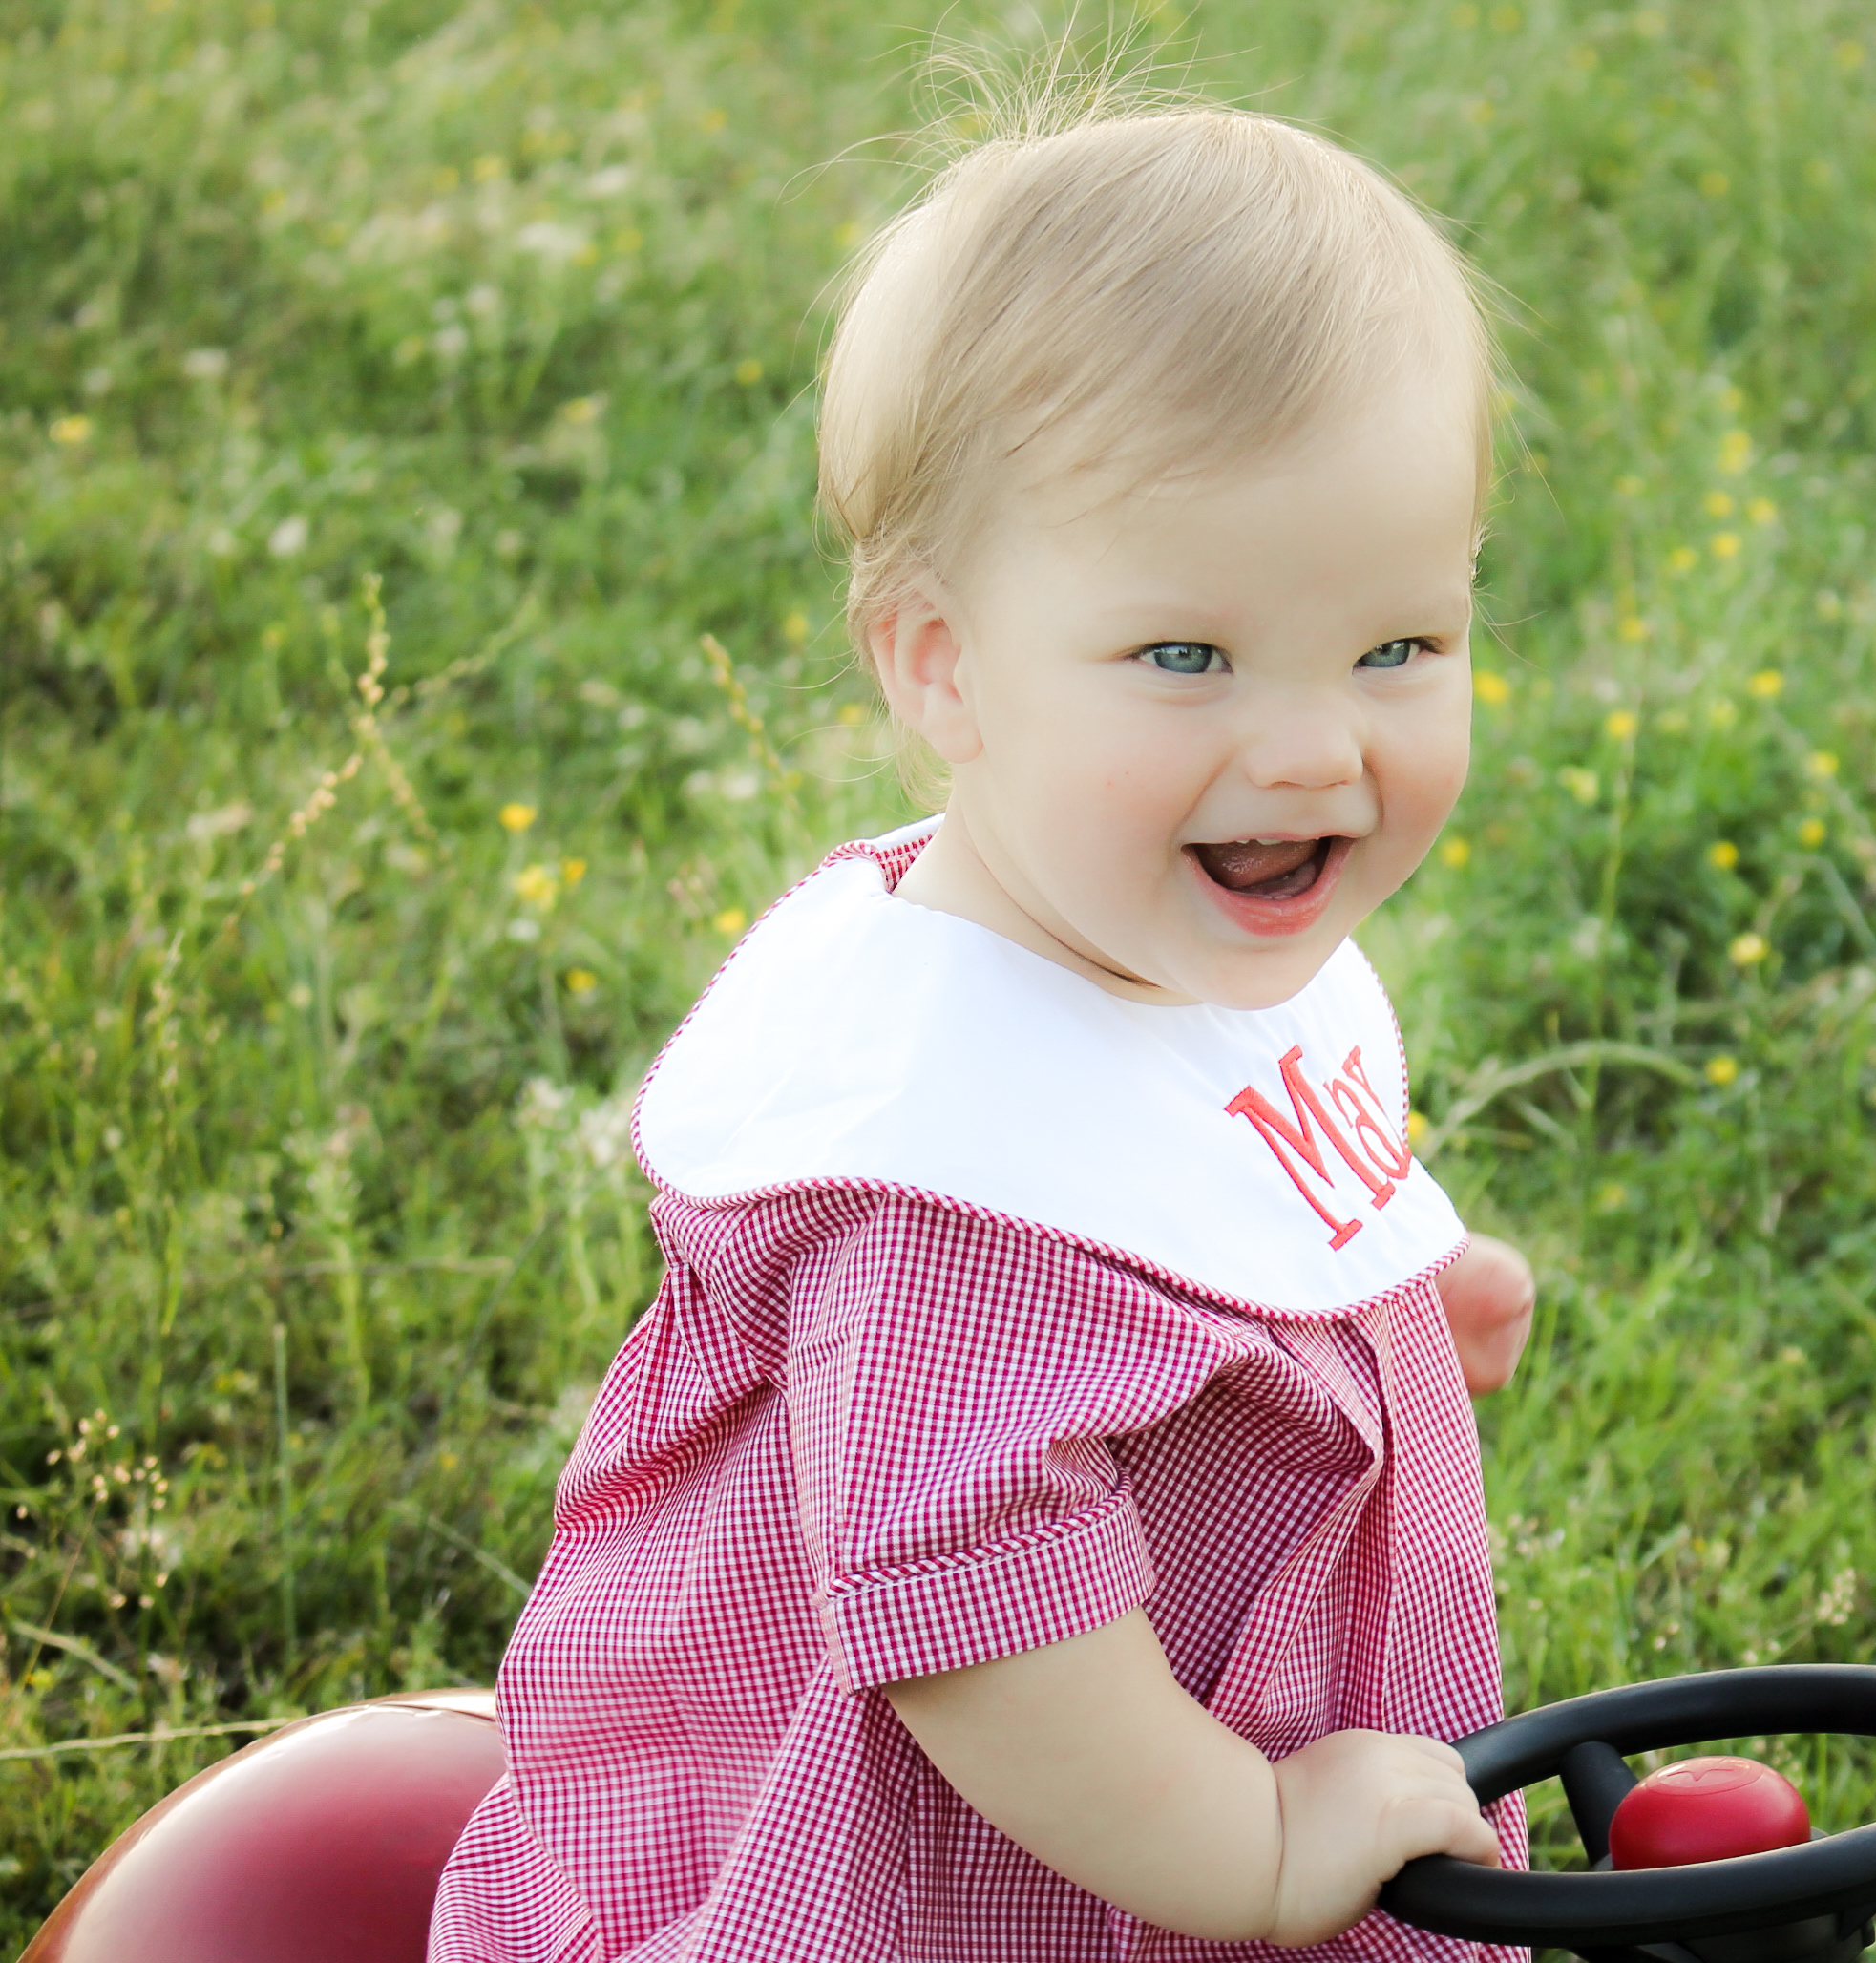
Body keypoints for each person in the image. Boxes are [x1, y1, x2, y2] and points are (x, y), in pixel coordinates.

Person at [428, 88, 1540, 1963]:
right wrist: (1257, 1847)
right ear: (942, 663)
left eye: (1397, 648)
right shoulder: (954, 1171)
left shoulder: (1142, 925)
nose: (1309, 744)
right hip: (1009, 1877)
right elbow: (984, 1623)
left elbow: (1195, 1167)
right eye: (1184, 655)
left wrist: (1378, 1288)